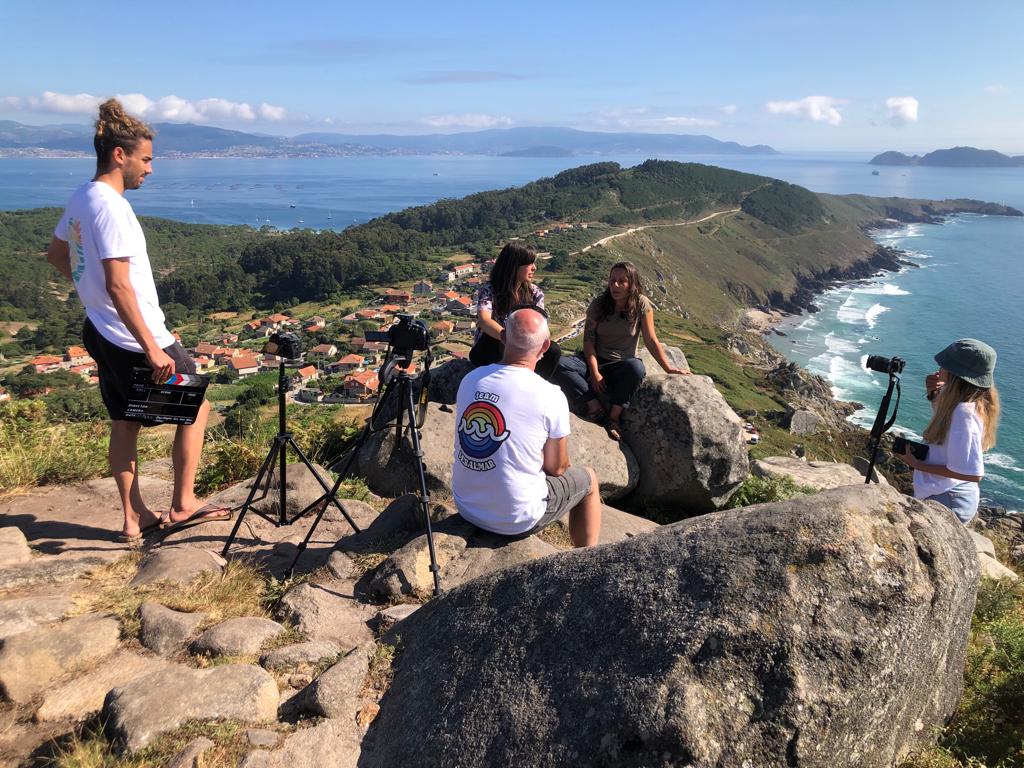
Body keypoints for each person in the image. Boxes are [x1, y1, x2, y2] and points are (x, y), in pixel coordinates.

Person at [45, 99, 230, 542]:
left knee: (124, 421)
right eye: (146, 160)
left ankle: (134, 518)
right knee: (196, 409)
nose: (150, 169)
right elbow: (120, 285)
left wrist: (90, 295)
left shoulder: (81, 196)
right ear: (120, 155)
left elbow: (57, 255)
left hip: (100, 331)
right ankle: (183, 505)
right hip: (134, 338)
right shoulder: (113, 207)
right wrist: (150, 344)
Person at [453, 307, 602, 546]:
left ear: (502, 337)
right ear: (545, 347)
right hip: (516, 520)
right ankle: (586, 559)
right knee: (589, 480)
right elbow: (556, 468)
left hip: (466, 507)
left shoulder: (471, 380)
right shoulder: (550, 395)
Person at [553, 261, 688, 441]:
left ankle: (613, 417)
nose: (615, 285)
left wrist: (669, 368)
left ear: (632, 284)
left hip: (621, 364)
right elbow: (588, 342)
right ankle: (593, 405)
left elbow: (651, 340)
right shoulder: (598, 305)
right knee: (559, 364)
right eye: (612, 281)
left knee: (636, 369)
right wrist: (594, 373)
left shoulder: (641, 304)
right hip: (592, 360)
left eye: (621, 281)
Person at [897, 338, 1001, 524]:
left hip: (948, 499)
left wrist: (917, 464)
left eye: (944, 365)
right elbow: (948, 427)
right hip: (948, 493)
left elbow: (973, 474)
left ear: (956, 374)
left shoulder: (964, 413)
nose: (939, 368)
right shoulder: (974, 404)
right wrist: (933, 395)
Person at [470, 242, 561, 379]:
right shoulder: (490, 289)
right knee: (490, 337)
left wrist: (521, 344)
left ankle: (533, 386)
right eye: (529, 264)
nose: (534, 268)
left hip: (523, 349)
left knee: (552, 350)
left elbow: (541, 327)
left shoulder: (534, 293)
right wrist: (509, 339)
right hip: (494, 346)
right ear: (514, 266)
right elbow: (484, 320)